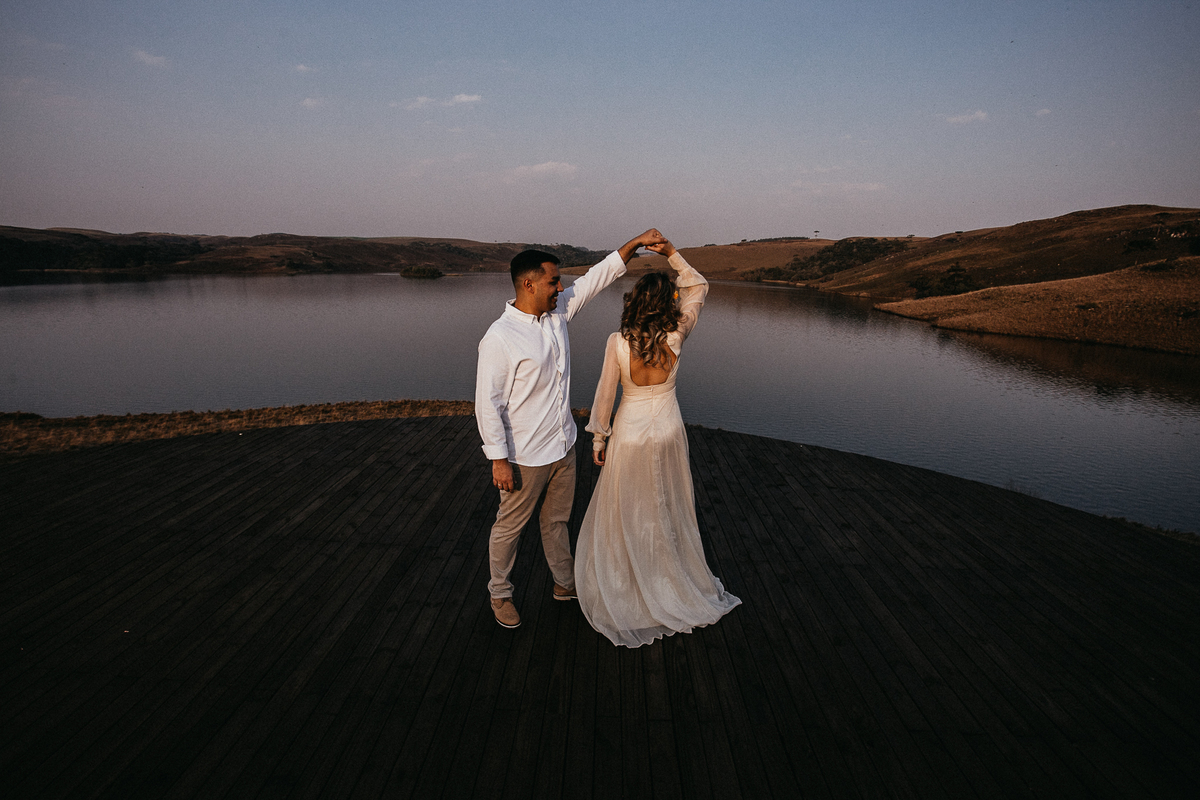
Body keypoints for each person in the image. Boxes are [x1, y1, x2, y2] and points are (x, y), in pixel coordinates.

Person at [476, 229, 669, 629]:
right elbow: (487, 404)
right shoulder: (500, 337)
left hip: (563, 447)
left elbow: (596, 278)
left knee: (557, 522)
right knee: (509, 527)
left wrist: (632, 246)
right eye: (552, 281)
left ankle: (564, 584)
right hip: (524, 456)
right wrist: (498, 460)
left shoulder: (558, 310)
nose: (560, 287)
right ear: (528, 284)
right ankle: (500, 593)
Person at [575, 238, 741, 647]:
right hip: (667, 430)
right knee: (665, 503)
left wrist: (599, 438)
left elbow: (605, 394)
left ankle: (631, 586)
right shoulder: (677, 333)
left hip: (630, 433)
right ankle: (669, 579)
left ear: (634, 303)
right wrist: (670, 253)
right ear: (667, 304)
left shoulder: (617, 342)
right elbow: (698, 285)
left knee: (628, 507)